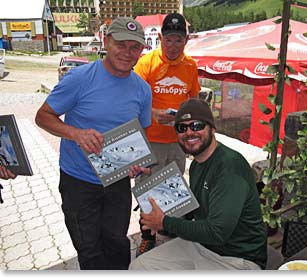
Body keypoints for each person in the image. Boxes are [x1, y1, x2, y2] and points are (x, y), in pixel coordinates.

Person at [35, 17, 152, 270]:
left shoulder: (143, 90)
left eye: (135, 47)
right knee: (89, 249)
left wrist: (138, 162)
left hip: (118, 181)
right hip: (79, 181)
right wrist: (75, 133)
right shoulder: (79, 78)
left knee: (117, 242)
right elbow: (42, 117)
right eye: (121, 44)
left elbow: (141, 133)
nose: (127, 52)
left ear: (141, 50)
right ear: (106, 41)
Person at [129, 98, 267, 270]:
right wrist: (160, 205)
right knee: (140, 267)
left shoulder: (230, 167)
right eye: (182, 128)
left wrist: (164, 222)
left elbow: (217, 232)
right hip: (202, 246)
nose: (189, 132)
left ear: (212, 128)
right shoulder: (196, 165)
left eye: (197, 125)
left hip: (238, 258)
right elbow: (194, 214)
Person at [133, 12, 201, 256]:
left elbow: (193, 100)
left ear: (186, 40)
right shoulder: (146, 63)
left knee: (173, 185)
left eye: (178, 40)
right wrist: (153, 114)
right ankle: (146, 237)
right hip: (149, 139)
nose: (173, 46)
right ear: (160, 38)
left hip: (177, 141)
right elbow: (133, 101)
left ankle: (168, 229)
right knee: (146, 188)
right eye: (168, 40)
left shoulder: (190, 66)